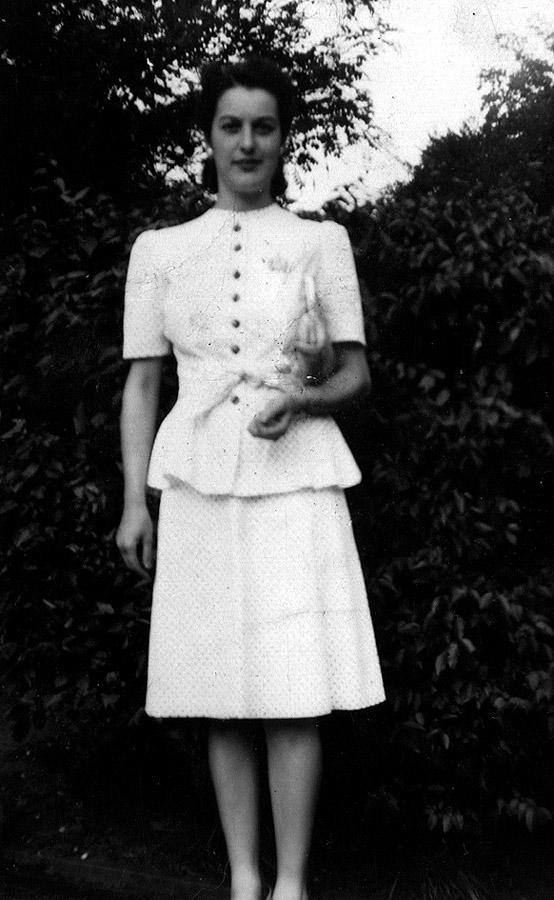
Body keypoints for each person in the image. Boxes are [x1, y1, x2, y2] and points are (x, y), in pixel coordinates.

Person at [116, 55, 385, 900]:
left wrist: (304, 396)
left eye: (263, 127)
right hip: (197, 482)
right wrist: (134, 503)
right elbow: (142, 384)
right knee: (219, 691)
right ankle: (242, 880)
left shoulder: (319, 242)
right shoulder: (160, 251)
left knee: (293, 689)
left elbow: (354, 375)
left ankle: (291, 885)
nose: (246, 143)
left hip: (295, 480)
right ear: (207, 137)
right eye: (230, 126)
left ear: (282, 139)